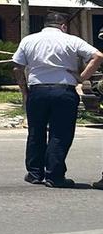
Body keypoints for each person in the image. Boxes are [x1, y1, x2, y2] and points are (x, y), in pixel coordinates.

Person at [12, 11, 103, 188]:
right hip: (64, 91)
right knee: (60, 134)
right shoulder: (71, 40)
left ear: (45, 25)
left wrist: (24, 90)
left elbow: (17, 67)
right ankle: (54, 175)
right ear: (63, 26)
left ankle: (34, 173)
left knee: (36, 132)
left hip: (37, 90)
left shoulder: (29, 40)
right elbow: (98, 56)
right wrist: (82, 77)